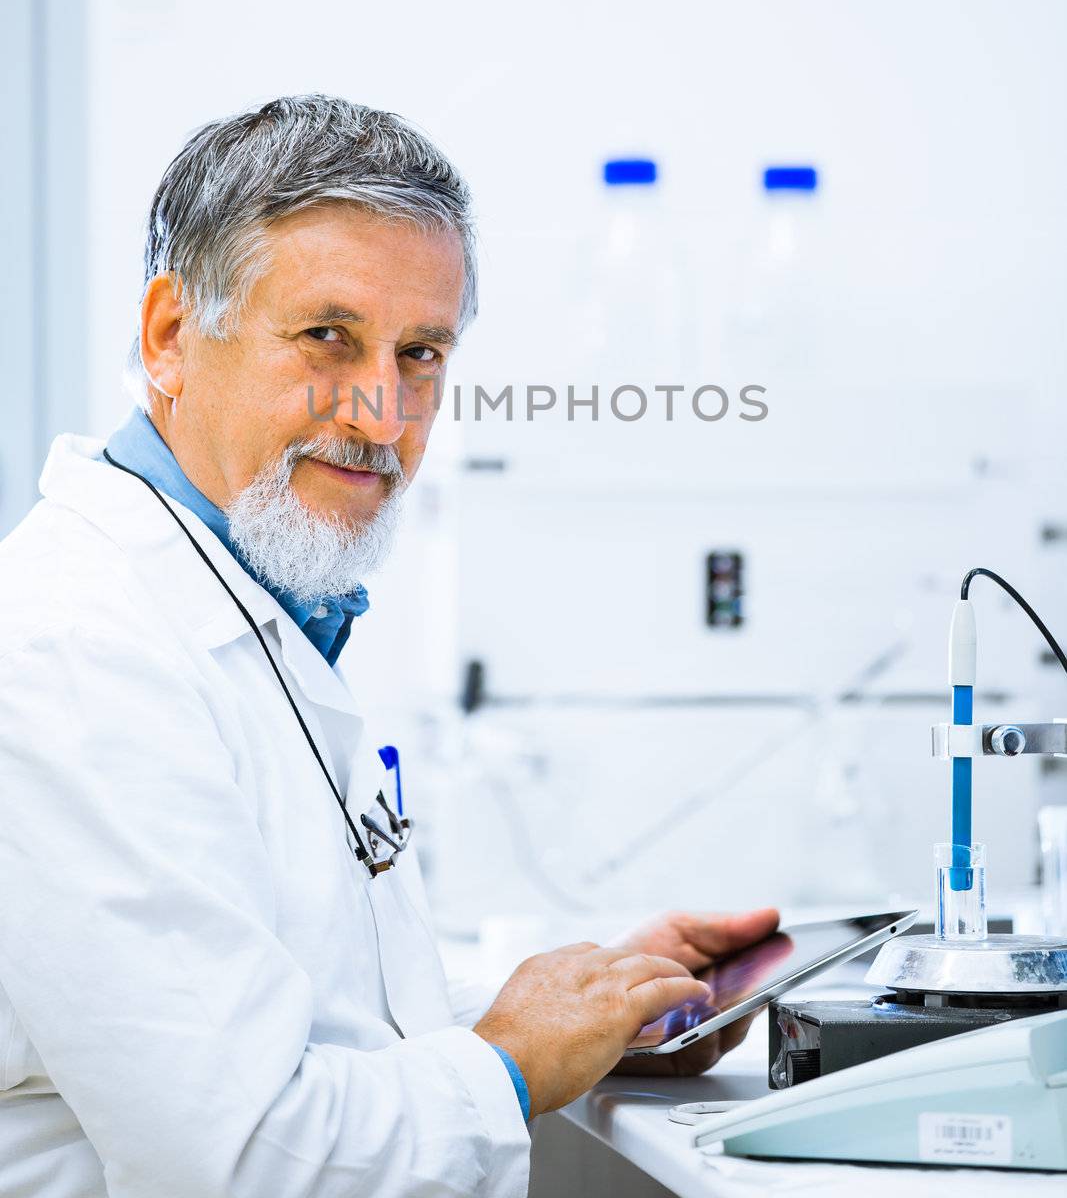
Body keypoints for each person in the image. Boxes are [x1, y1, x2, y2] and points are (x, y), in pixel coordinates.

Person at [0, 95, 777, 1198]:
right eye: (328, 336)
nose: (380, 410)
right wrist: (506, 1061)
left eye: (421, 353)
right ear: (171, 336)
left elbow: (290, 1020)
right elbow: (240, 1155)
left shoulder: (252, 602)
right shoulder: (77, 652)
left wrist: (593, 1007)